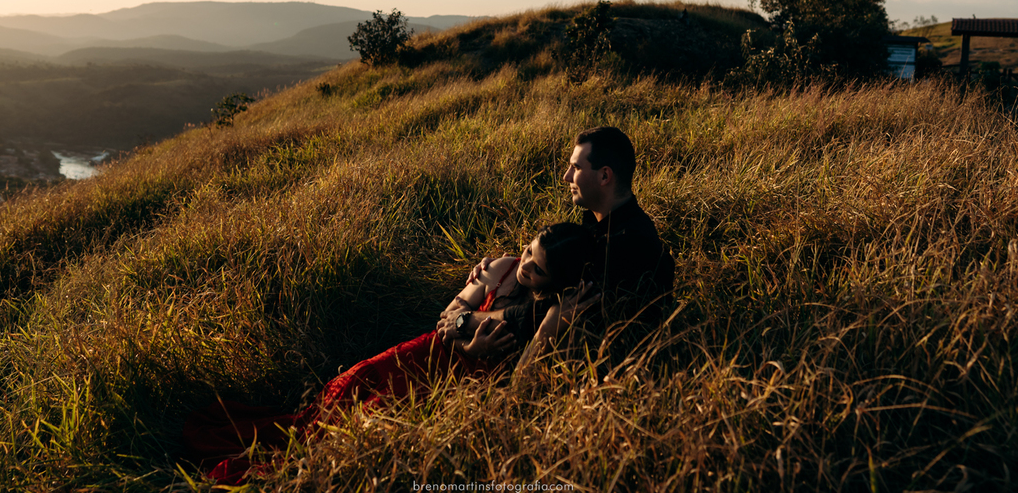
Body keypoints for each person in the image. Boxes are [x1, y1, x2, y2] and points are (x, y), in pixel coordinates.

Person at [183, 221, 594, 484]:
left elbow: (523, 382)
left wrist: (494, 343)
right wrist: (470, 342)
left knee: (359, 427)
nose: (525, 266)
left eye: (537, 268)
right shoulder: (503, 268)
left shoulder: (553, 313)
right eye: (528, 252)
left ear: (556, 279)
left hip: (456, 388)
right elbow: (446, 318)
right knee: (344, 394)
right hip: (427, 353)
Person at [438, 126, 674, 358]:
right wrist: (506, 268)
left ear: (604, 176)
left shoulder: (625, 245)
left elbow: (542, 314)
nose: (566, 176)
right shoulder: (600, 220)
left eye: (576, 168)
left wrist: (465, 320)